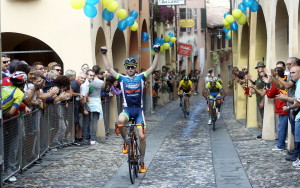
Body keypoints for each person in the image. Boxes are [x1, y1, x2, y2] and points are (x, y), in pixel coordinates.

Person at [100, 44, 160, 173]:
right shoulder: (121, 78)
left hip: (138, 111)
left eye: (133, 67)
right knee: (120, 121)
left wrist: (157, 52)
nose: (131, 69)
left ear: (135, 68)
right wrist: (104, 53)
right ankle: (126, 141)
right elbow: (109, 68)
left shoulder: (141, 77)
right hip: (127, 110)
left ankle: (142, 161)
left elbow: (153, 67)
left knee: (142, 137)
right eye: (128, 67)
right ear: (126, 69)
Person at [86, 65, 106, 145]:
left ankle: (86, 138)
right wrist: (104, 77)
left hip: (88, 100)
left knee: (87, 121)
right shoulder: (99, 82)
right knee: (94, 121)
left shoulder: (88, 82)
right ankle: (92, 139)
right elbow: (103, 87)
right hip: (96, 101)